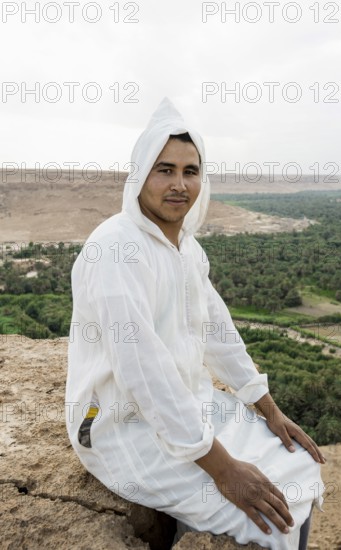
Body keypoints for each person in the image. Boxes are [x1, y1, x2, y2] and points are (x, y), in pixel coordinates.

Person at [65, 97, 325, 550]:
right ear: (140, 175)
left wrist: (269, 408)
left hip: (187, 404)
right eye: (164, 169)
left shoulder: (186, 248)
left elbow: (218, 332)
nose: (179, 184)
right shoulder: (115, 251)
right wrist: (224, 471)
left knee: (300, 462)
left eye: (190, 171)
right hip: (121, 425)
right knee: (274, 519)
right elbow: (143, 372)